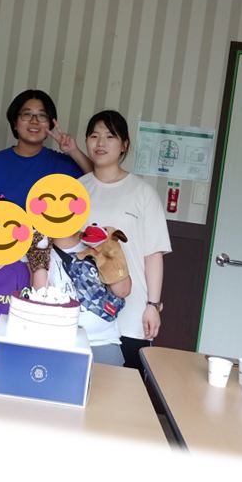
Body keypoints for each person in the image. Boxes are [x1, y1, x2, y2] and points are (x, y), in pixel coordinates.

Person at [78, 110, 171, 368]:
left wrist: (153, 305)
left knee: (127, 385)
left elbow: (153, 254)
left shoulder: (143, 193)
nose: (101, 142)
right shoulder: (77, 190)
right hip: (86, 313)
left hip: (131, 313)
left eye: (110, 136)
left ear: (124, 145)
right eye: (94, 136)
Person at [28, 228, 132, 365]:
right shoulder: (41, 248)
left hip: (103, 341)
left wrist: (108, 246)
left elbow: (123, 290)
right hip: (60, 344)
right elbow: (40, 295)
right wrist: (39, 253)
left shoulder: (97, 241)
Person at [0, 89, 90, 205]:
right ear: (15, 123)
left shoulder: (63, 164)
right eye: (27, 114)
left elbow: (98, 182)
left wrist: (74, 151)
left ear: (50, 125)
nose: (34, 121)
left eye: (42, 115)